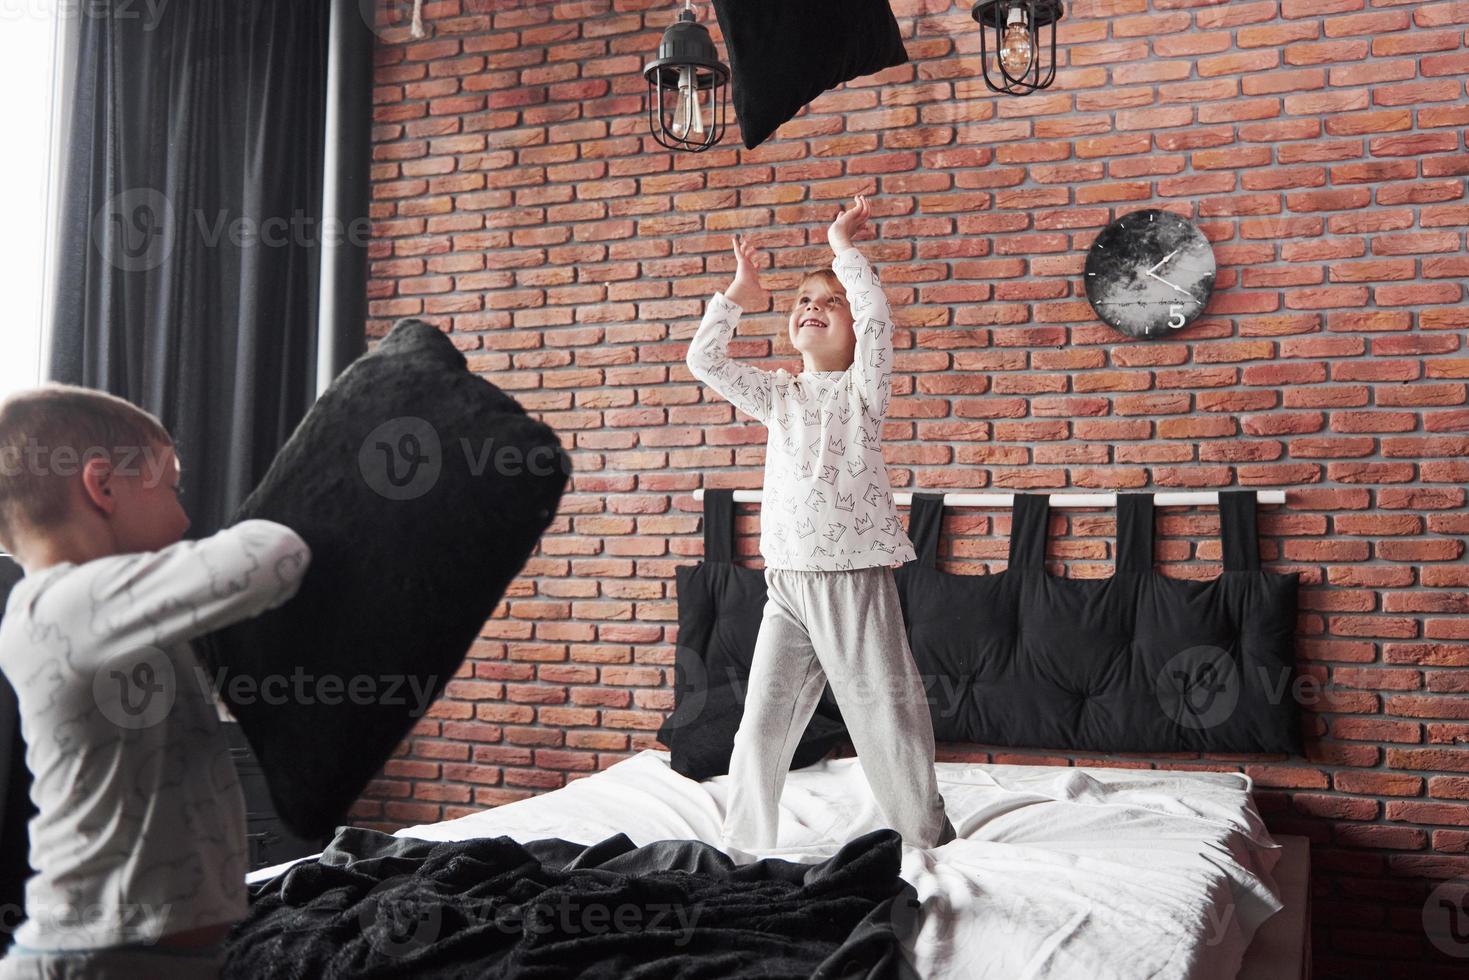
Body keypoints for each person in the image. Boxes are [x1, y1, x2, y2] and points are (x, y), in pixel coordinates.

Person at [0, 384, 311, 979]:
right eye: (172, 487)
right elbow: (275, 552)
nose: (185, 516)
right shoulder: (65, 604)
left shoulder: (107, 610)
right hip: (95, 957)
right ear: (102, 486)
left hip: (155, 954)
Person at [685, 195, 957, 854]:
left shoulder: (863, 391)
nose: (812, 306)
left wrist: (843, 250)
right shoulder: (778, 395)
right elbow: (705, 362)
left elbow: (878, 318)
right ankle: (743, 850)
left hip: (852, 581)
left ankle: (926, 836)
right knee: (759, 730)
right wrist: (736, 295)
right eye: (803, 299)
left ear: (853, 331)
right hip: (785, 587)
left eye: (829, 303)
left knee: (884, 723)